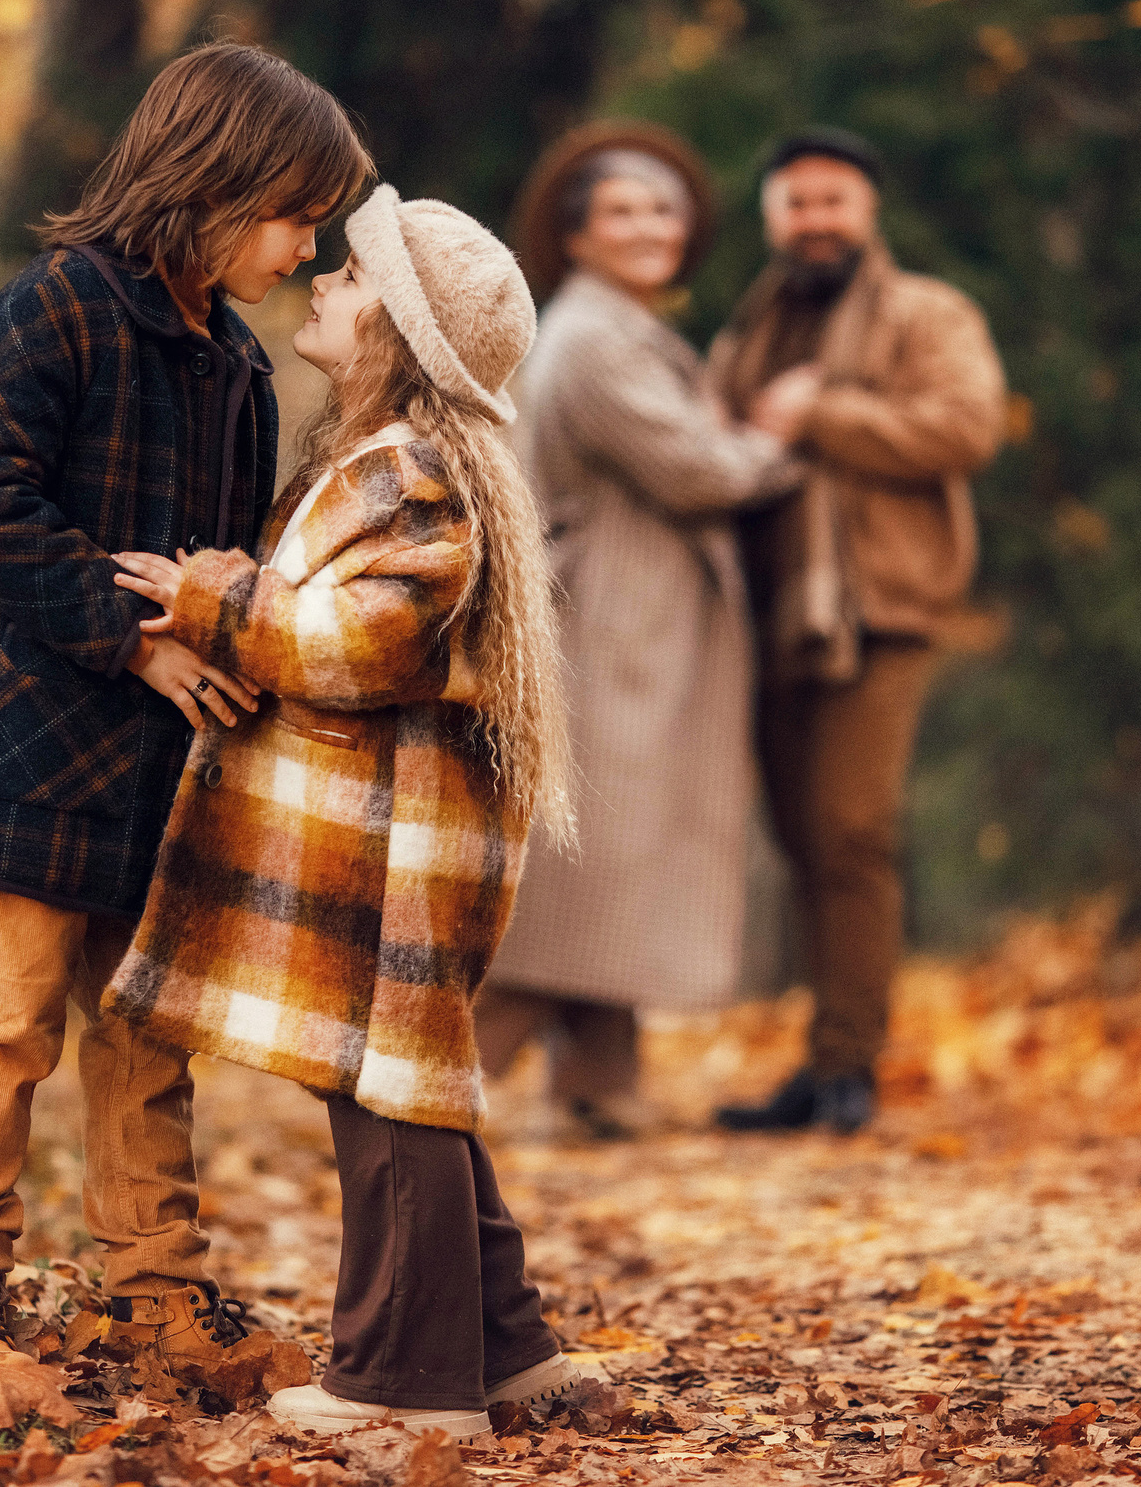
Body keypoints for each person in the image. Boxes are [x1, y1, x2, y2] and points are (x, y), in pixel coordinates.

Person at [0, 44, 372, 1372]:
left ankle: (153, 1293)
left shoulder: (237, 365)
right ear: (216, 183)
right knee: (5, 1018)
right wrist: (131, 637)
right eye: (294, 215)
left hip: (160, 763)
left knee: (148, 1030)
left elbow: (216, 563)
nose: (306, 247)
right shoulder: (58, 308)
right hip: (24, 743)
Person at [103, 185, 600, 1437]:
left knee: (390, 1098)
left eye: (357, 275)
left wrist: (218, 600)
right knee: (394, 1082)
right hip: (377, 829)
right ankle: (506, 1348)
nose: (324, 279)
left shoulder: (412, 473)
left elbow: (362, 643)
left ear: (400, 329)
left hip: (391, 841)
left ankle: (404, 1385)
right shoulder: (391, 461)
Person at [476, 122, 815, 1139]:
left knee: (614, 859)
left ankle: (599, 1084)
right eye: (621, 211)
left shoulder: (616, 327)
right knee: (584, 867)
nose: (650, 227)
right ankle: (427, 1089)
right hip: (612, 630)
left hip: (636, 626)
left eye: (664, 209)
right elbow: (694, 469)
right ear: (575, 236)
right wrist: (773, 439)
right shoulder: (591, 338)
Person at [707, 128, 1007, 1137]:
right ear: (772, 217)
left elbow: (967, 427)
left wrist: (822, 414)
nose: (816, 221)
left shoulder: (927, 313)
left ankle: (849, 1068)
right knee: (802, 840)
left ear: (868, 211)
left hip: (880, 610)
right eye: (798, 203)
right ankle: (822, 1058)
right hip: (772, 613)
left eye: (833, 201)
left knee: (851, 831)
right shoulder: (751, 330)